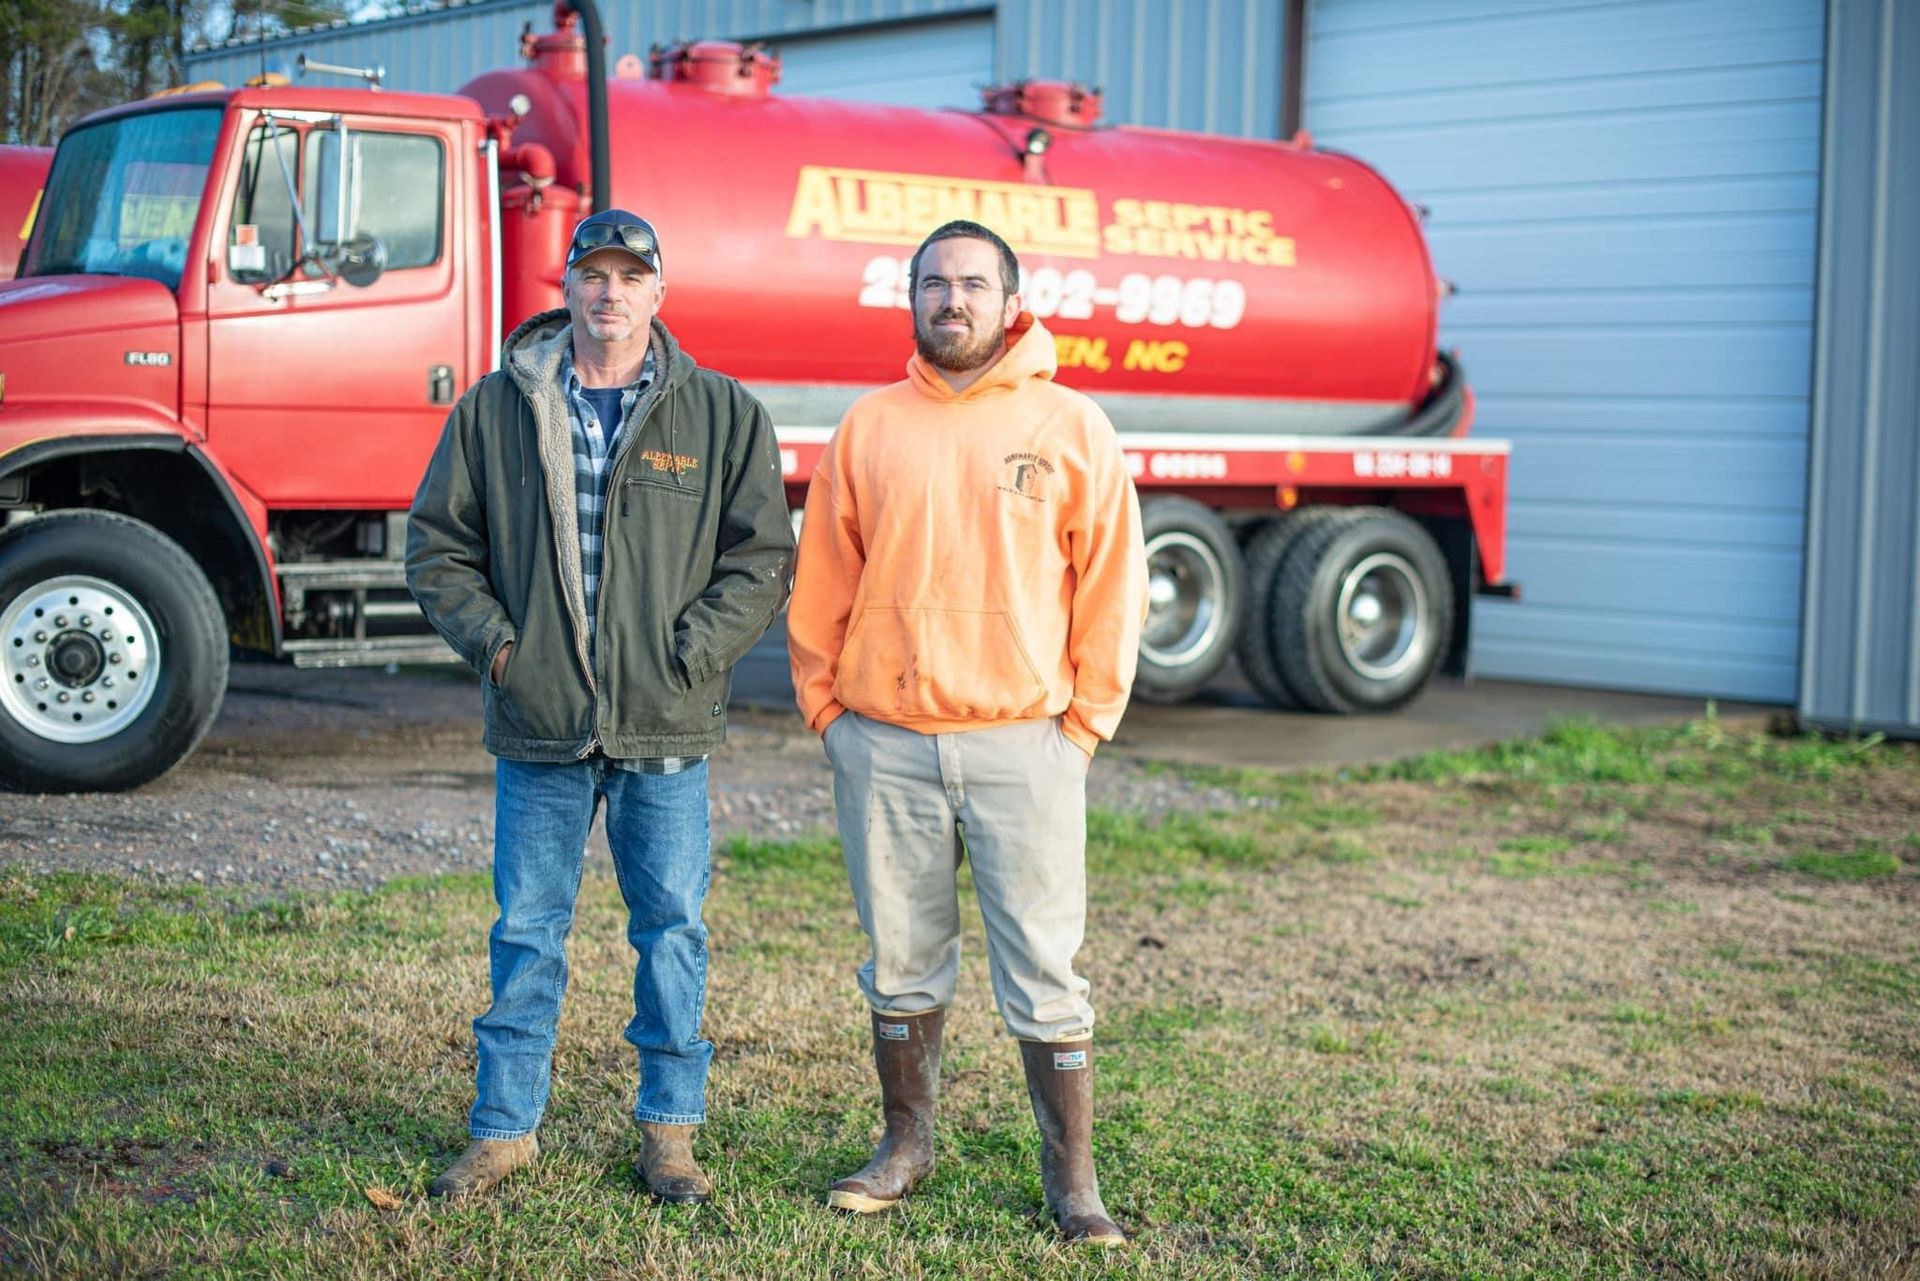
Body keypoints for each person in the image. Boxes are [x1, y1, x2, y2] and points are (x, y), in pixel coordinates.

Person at [406, 209, 795, 1204]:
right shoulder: (497, 408)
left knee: (672, 929)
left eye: (631, 275)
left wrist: (694, 654)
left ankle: (670, 1134)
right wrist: (499, 646)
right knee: (528, 930)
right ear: (568, 285)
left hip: (663, 725)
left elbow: (760, 559)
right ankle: (504, 1131)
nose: (610, 292)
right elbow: (437, 549)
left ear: (659, 293)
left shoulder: (721, 415)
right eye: (594, 273)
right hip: (539, 723)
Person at [786, 219, 1147, 1246]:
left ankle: (1073, 1181)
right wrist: (828, 708)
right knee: (900, 958)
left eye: (973, 284)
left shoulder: (1071, 424)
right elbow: (823, 578)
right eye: (935, 283)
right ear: (911, 299)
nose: (953, 299)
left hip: (1024, 742)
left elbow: (1116, 585)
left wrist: (1083, 725)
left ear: (1009, 299)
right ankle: (906, 1145)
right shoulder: (869, 426)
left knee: (1043, 965)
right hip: (884, 742)